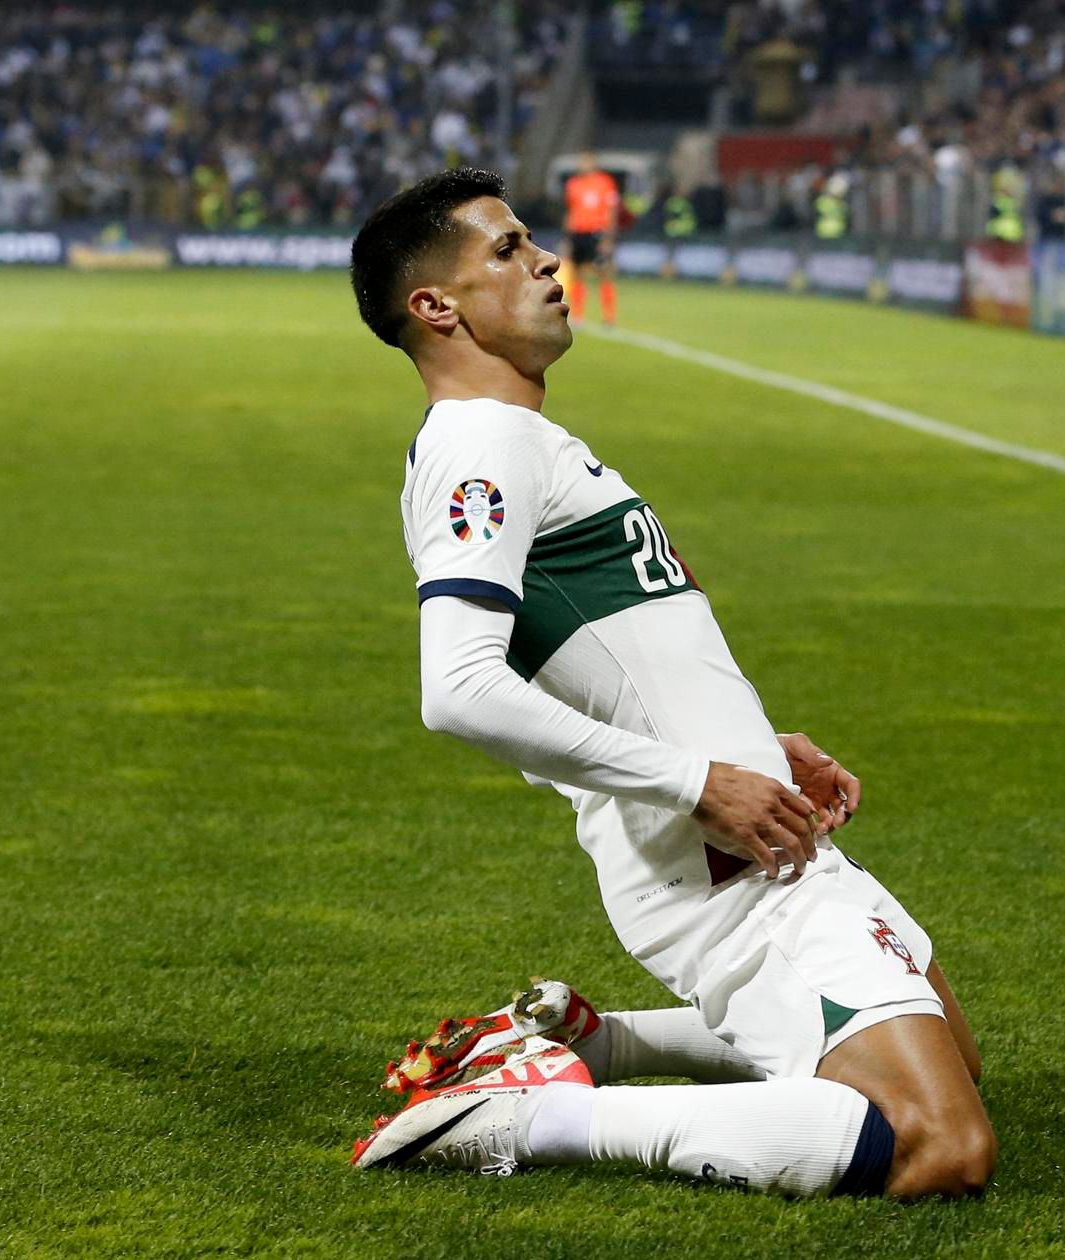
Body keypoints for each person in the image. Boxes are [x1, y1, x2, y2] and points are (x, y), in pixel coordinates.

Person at [343, 167, 994, 1199]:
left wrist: (755, 746)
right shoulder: (482, 444)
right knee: (938, 1143)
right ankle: (532, 1117)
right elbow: (458, 688)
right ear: (435, 307)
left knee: (954, 1059)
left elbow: (622, 654)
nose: (546, 261)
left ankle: (599, 1044)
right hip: (718, 853)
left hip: (736, 827)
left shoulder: (520, 438)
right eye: (507, 250)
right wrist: (701, 780)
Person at [562, 151, 621, 324]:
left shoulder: (605, 182)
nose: (583, 166)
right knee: (578, 273)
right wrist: (567, 237)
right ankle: (578, 315)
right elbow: (570, 211)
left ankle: (609, 317)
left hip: (597, 232)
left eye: (586, 162)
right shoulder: (573, 184)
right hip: (578, 233)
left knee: (604, 272)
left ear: (594, 164)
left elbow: (611, 211)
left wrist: (608, 239)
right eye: (581, 162)